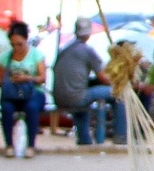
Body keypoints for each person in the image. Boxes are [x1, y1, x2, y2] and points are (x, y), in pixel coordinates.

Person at [52, 19, 126, 147]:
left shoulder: (65, 49)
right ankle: (121, 136)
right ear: (89, 32)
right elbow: (103, 77)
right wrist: (120, 83)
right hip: (77, 96)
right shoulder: (87, 50)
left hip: (59, 97)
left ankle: (84, 139)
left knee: (82, 99)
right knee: (119, 94)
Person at [0, 20, 46, 158]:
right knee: (6, 108)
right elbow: (0, 82)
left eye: (19, 44)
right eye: (13, 45)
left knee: (31, 108)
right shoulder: (6, 58)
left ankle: (31, 145)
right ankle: (9, 144)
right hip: (12, 93)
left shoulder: (36, 55)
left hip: (33, 91)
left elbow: (42, 78)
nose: (17, 48)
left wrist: (28, 78)